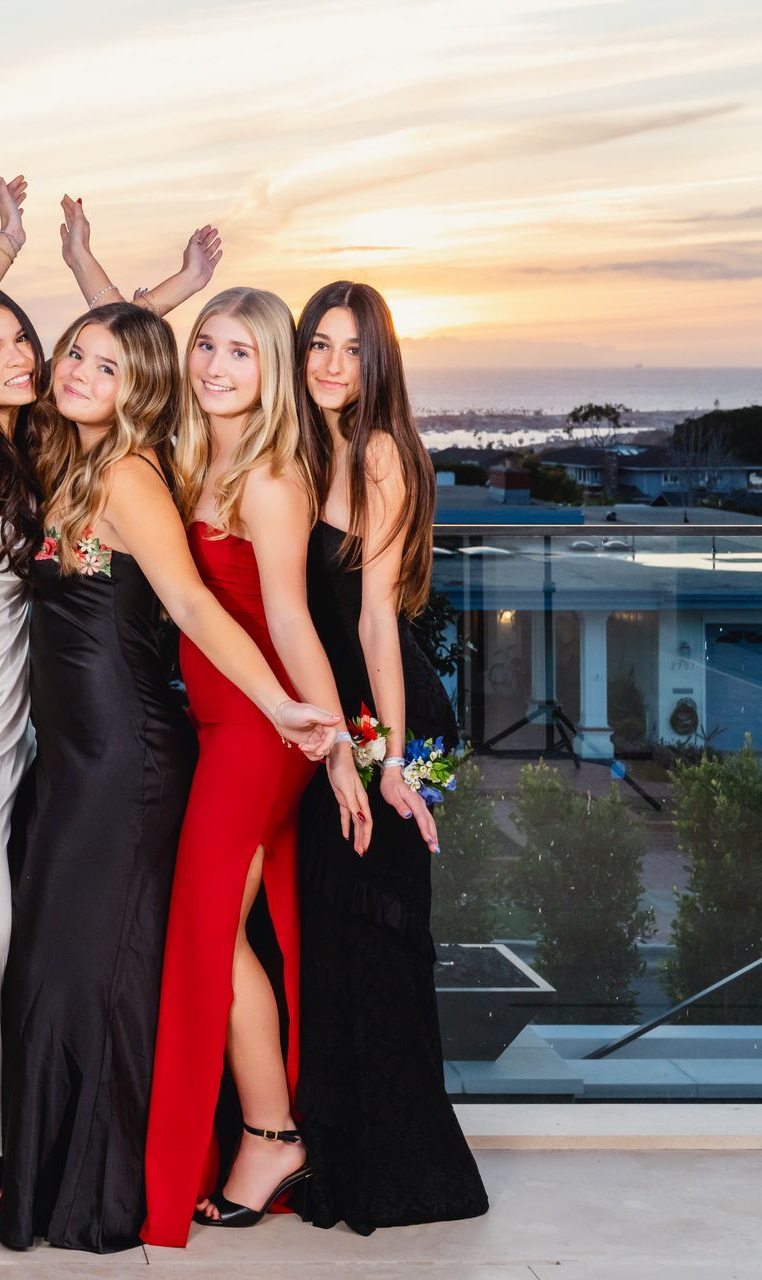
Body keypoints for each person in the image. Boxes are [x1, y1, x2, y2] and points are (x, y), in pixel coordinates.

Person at [0, 302, 339, 1254]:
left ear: (139, 386)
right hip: (74, 753)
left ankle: (105, 1183)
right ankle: (67, 1173)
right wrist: (88, 270)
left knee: (92, 966)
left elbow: (190, 600)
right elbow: (121, 338)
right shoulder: (75, 456)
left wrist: (285, 711)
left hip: (128, 751)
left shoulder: (130, 472)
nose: (79, 374)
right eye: (74, 354)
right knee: (63, 963)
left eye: (108, 368)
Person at [134, 287, 365, 1244]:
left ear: (271, 369)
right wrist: (84, 261)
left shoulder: (269, 476)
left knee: (204, 932)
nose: (215, 367)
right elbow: (118, 347)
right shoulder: (195, 453)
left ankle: (271, 1134)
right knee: (220, 933)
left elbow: (290, 620)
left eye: (239, 352)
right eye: (205, 347)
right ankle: (269, 1129)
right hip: (224, 727)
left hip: (263, 734)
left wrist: (338, 749)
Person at [289, 280, 489, 1235]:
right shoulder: (311, 443)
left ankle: (398, 1171)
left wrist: (396, 762)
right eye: (317, 345)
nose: (331, 364)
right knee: (335, 933)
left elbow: (376, 620)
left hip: (394, 720)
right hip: (343, 720)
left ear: (380, 360)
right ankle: (340, 1149)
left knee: (375, 931)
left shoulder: (379, 454)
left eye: (350, 348)